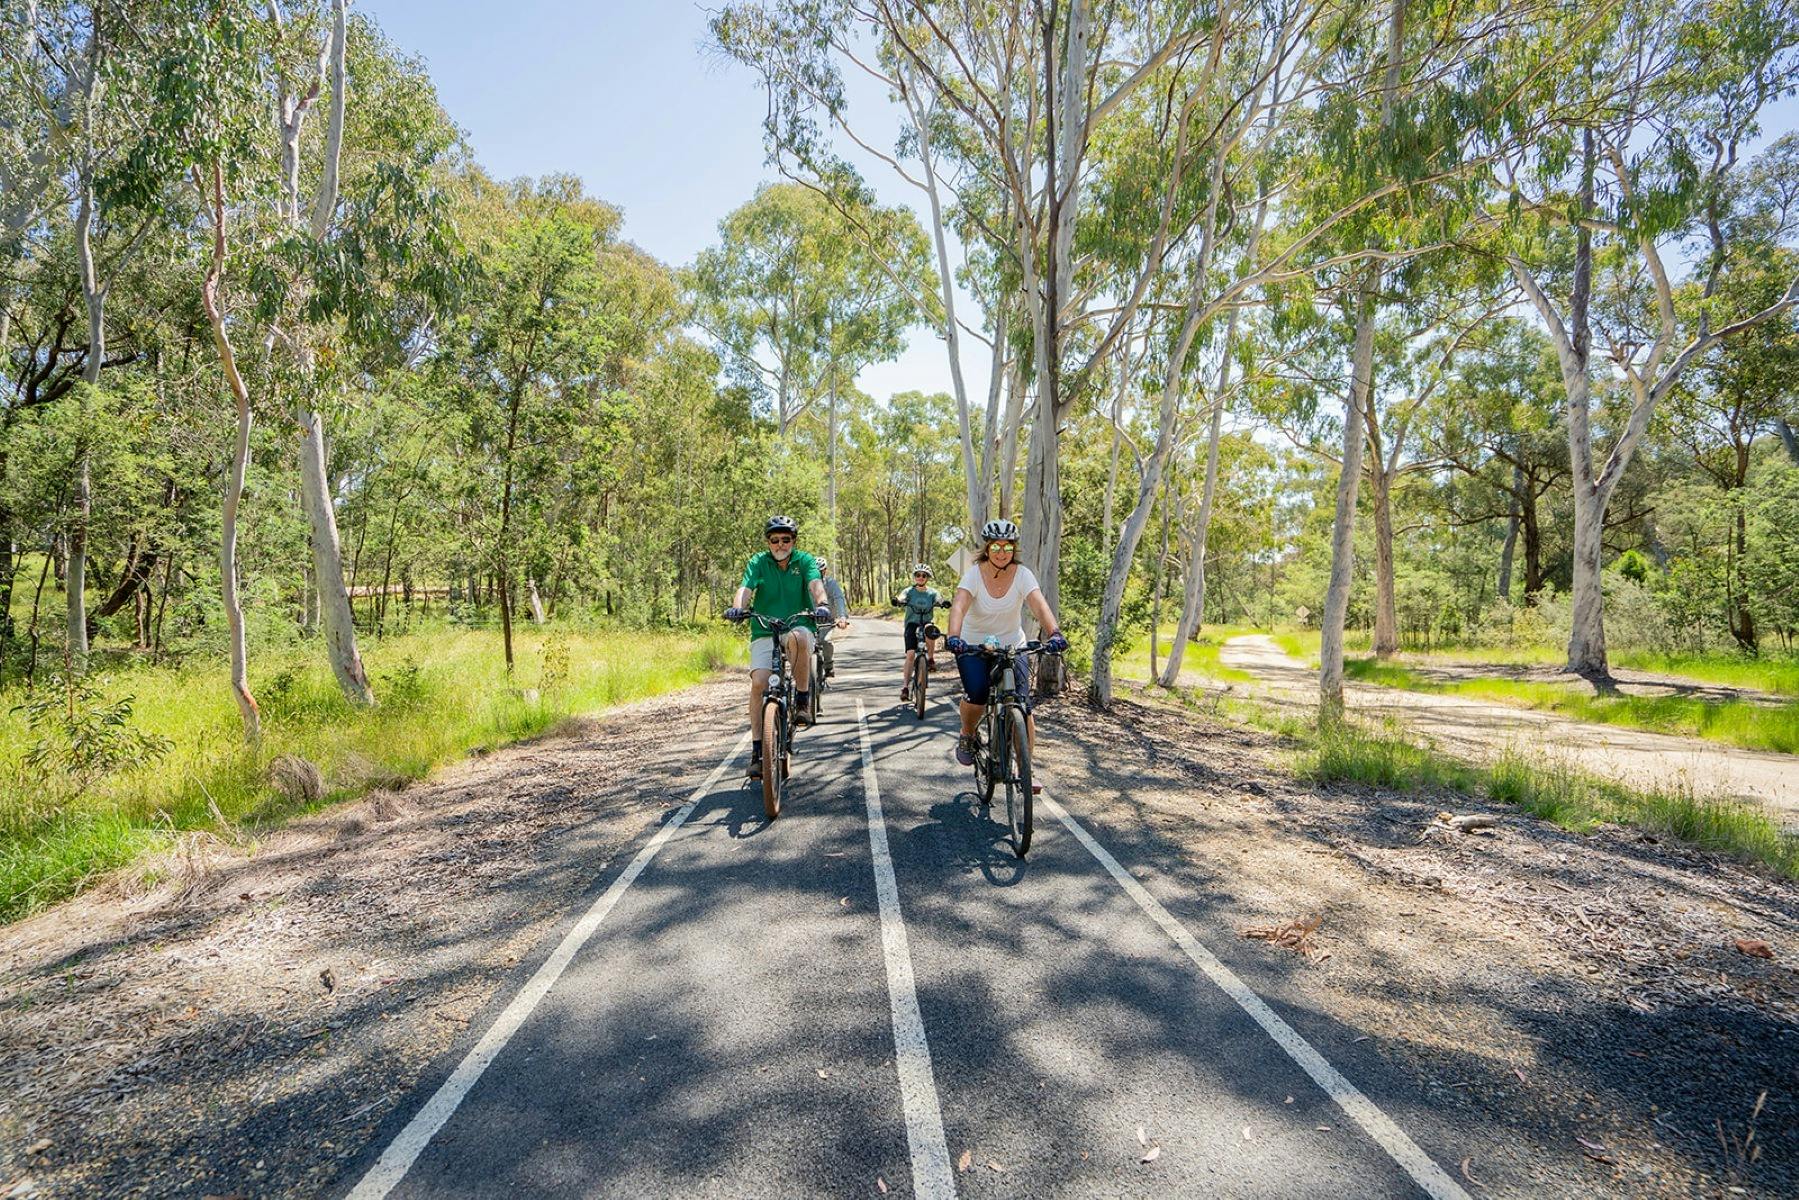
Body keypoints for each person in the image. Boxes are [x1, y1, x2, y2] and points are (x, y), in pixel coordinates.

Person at [943, 519, 1069, 771]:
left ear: (1014, 549)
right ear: (987, 549)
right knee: (977, 693)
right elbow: (959, 605)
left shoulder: (1023, 575)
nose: (1002, 553)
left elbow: (1038, 604)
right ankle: (968, 734)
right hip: (973, 644)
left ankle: (1026, 770)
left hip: (1012, 644)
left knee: (1023, 705)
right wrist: (953, 637)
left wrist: (1054, 633)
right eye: (996, 547)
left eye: (1007, 547)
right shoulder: (974, 574)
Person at [725, 515, 834, 778]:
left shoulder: (805, 561)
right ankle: (756, 752)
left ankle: (802, 701)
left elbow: (815, 584)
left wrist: (822, 604)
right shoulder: (758, 562)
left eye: (786, 539)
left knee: (799, 638)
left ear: (793, 541)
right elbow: (745, 588)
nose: (780, 544)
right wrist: (739, 608)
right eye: (775, 540)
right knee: (759, 683)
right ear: (768, 542)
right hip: (764, 628)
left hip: (797, 624)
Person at [891, 564, 948, 701]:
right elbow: (902, 597)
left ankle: (931, 659)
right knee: (910, 655)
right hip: (912, 623)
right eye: (918, 575)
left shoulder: (932, 592)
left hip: (926, 622)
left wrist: (943, 602)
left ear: (927, 578)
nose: (921, 578)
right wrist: (898, 601)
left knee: (931, 630)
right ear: (915, 577)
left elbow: (939, 599)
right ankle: (905, 687)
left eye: (924, 575)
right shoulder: (909, 591)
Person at [816, 557, 850, 677]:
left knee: (825, 641)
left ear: (825, 571)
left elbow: (839, 599)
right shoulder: (807, 584)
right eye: (816, 572)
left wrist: (842, 617)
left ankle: (828, 666)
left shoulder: (831, 583)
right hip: (810, 620)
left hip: (827, 620)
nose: (819, 574)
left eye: (821, 571)